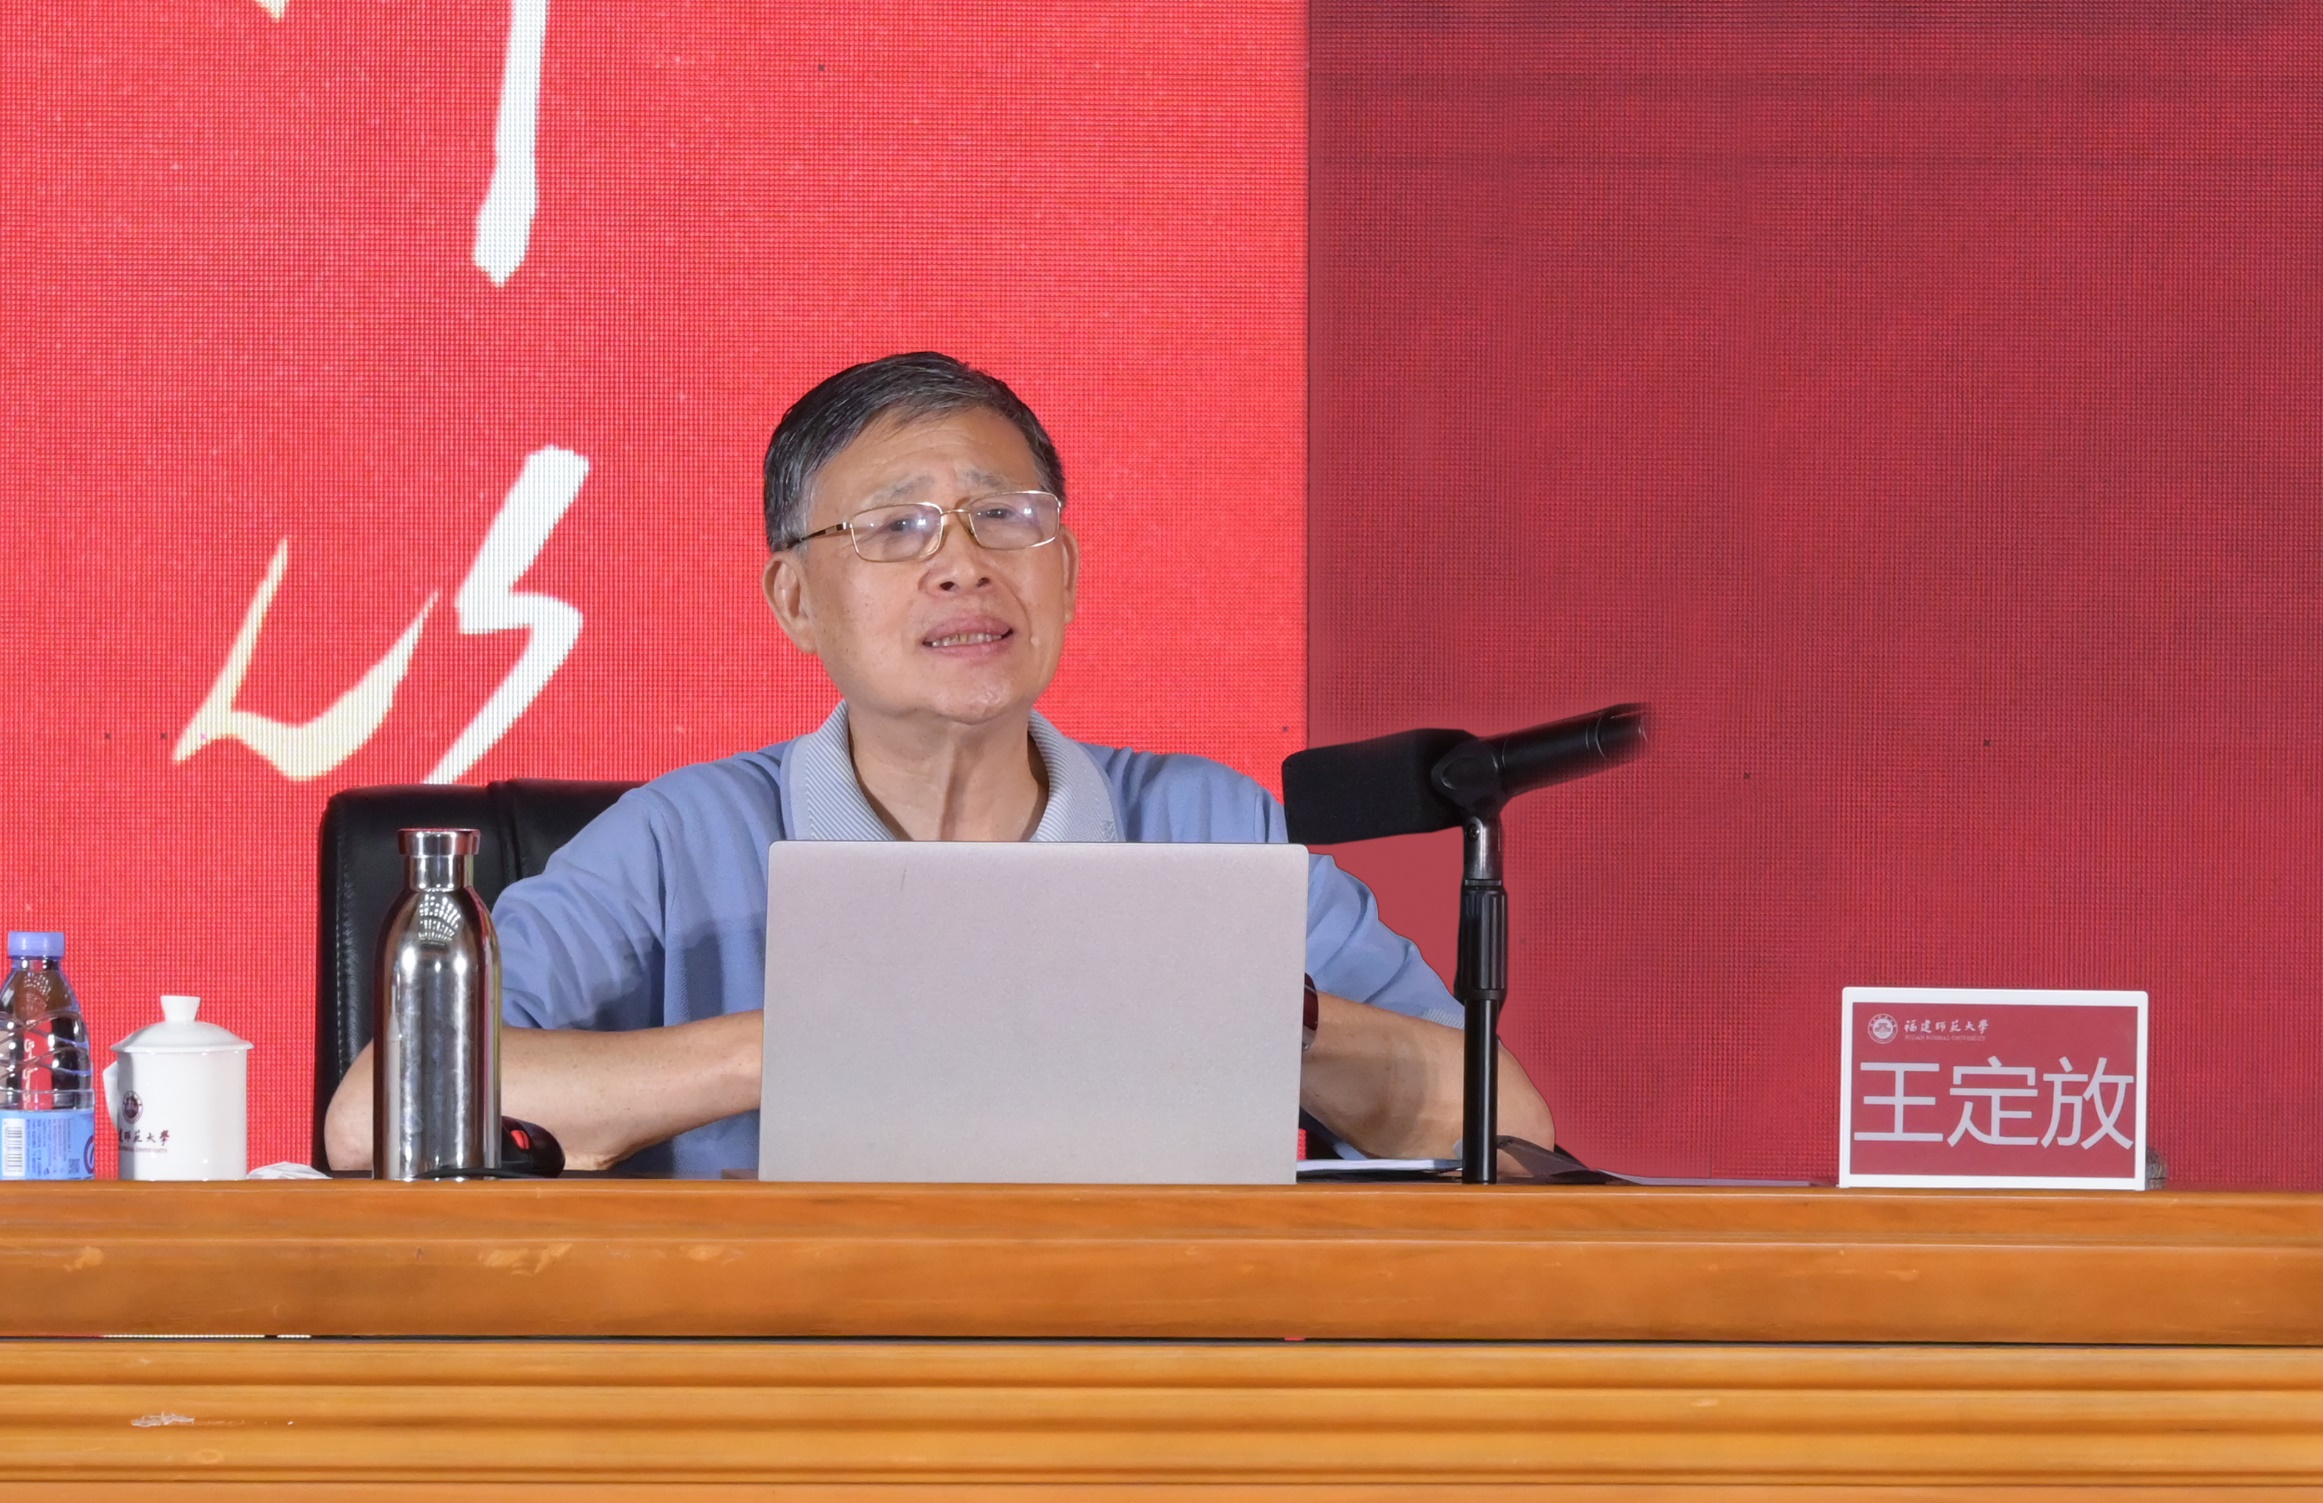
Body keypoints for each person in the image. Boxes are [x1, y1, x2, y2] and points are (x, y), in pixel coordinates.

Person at [324, 353, 1556, 1174]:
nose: (962, 564)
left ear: (1065, 574)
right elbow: (375, 1113)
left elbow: (1509, 1129)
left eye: (1005, 518)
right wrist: (809, 1041)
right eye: (895, 528)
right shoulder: (679, 841)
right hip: (769, 1398)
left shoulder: (1208, 823)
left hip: (1143, 1397)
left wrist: (1261, 1016)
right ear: (795, 601)